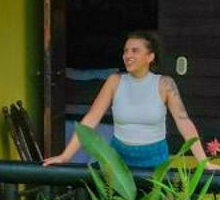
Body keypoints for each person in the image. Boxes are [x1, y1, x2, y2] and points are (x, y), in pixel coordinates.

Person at [44, 29, 206, 172]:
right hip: (119, 159)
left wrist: (203, 162)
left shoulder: (165, 83)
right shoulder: (114, 81)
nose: (128, 55)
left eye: (135, 51)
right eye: (126, 51)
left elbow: (183, 122)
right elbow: (90, 120)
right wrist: (66, 156)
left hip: (155, 159)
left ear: (150, 57)